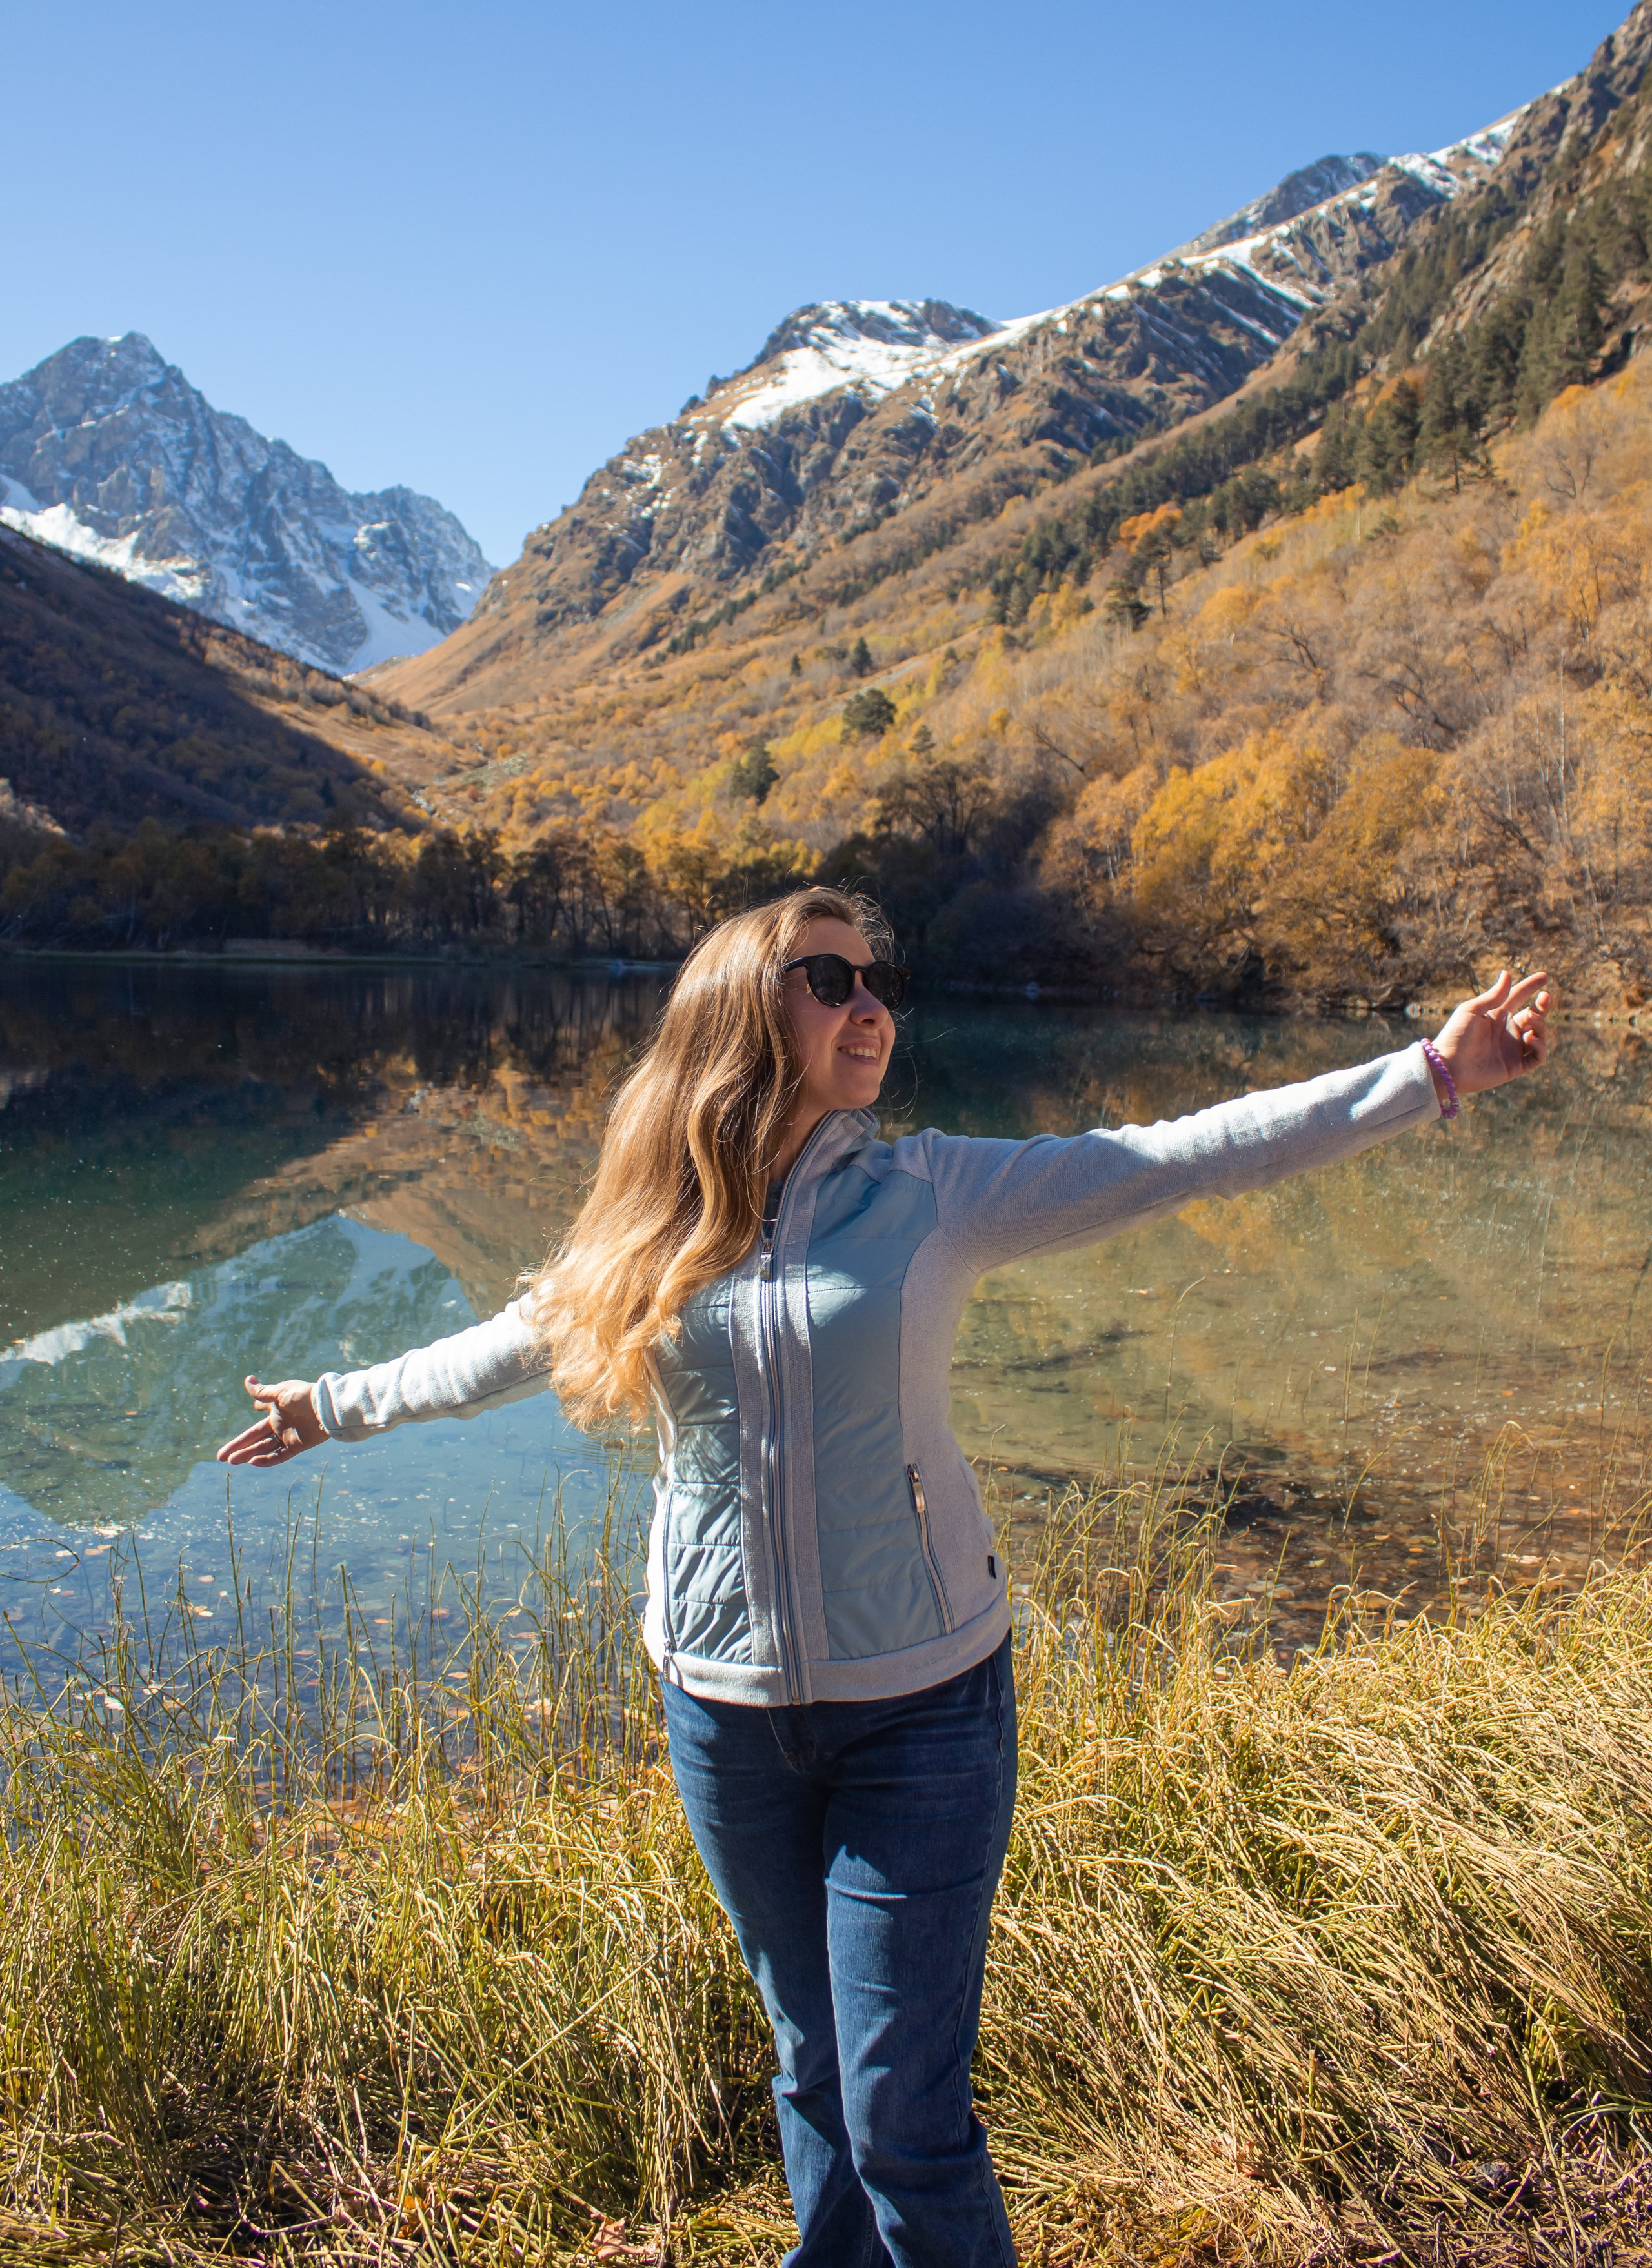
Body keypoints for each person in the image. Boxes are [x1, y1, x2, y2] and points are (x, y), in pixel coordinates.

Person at [217, 887, 1551, 2268]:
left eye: (875, 978)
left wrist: (1430, 1074)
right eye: (828, 976)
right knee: (807, 2061)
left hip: (922, 1706)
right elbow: (500, 1347)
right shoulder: (648, 1229)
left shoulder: (934, 1194)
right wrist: (332, 1402)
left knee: (901, 2112)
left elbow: (1178, 1155)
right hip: (723, 1715)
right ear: (743, 1011)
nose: (870, 1004)